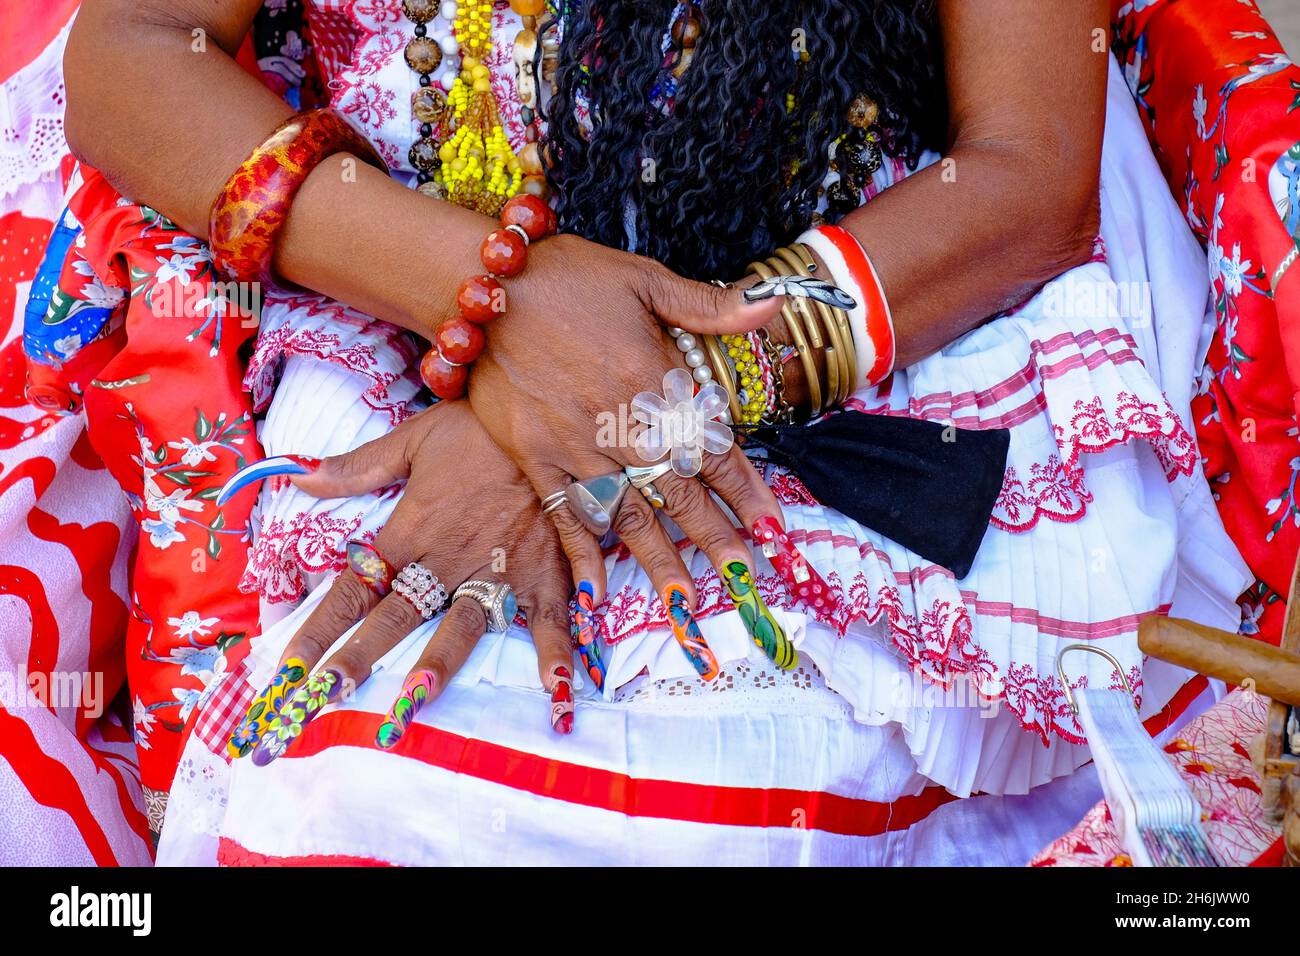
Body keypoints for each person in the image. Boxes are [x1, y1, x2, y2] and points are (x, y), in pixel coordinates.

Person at [45, 0, 1248, 864]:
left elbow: (1026, 172)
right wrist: (500, 307)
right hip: (407, 333)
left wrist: (621, 394)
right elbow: (133, 52)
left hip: (844, 342)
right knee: (335, 793)